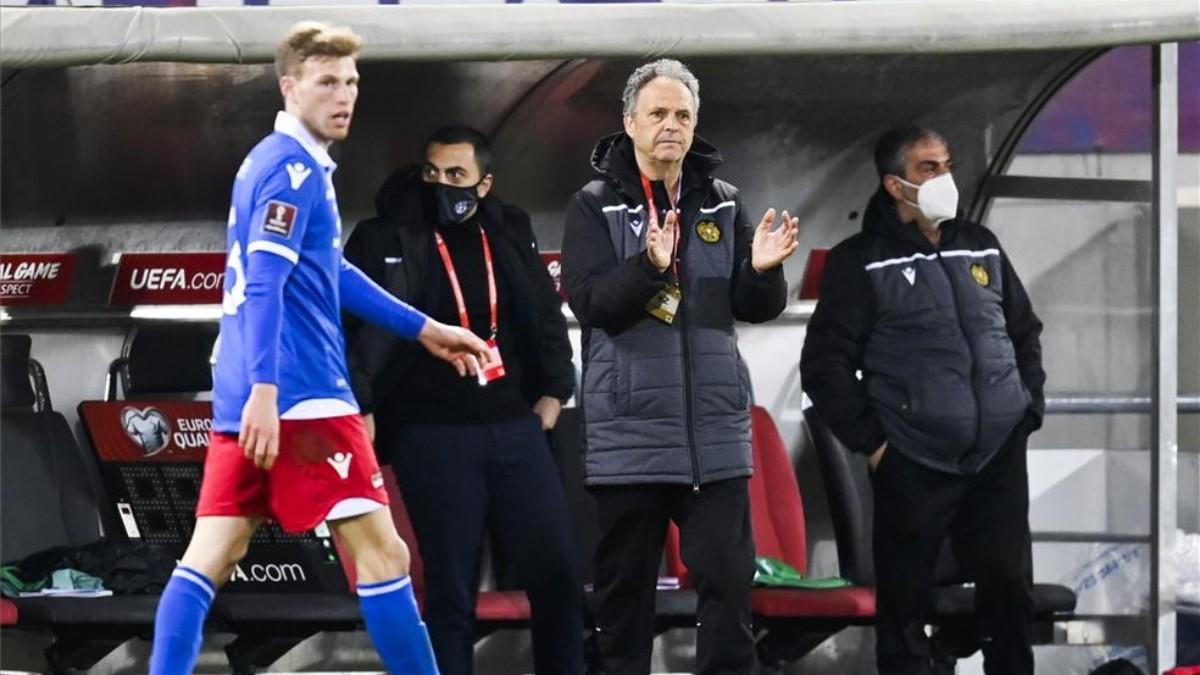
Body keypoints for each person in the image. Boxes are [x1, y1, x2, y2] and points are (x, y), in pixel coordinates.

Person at [148, 22, 491, 675]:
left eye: (352, 82)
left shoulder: (276, 161)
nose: (345, 95)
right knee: (385, 557)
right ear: (290, 87)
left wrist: (425, 329)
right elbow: (268, 286)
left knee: (211, 554)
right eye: (328, 82)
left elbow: (325, 270)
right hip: (301, 398)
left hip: (247, 394)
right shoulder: (292, 170)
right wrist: (270, 393)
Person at [560, 58, 798, 675]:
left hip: (713, 439)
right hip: (631, 435)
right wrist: (648, 265)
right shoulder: (594, 206)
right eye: (659, 113)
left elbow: (751, 306)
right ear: (629, 122)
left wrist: (765, 272)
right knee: (625, 603)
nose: (672, 125)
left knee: (727, 591)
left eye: (684, 115)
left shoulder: (724, 203)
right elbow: (589, 303)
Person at [800, 126, 1045, 675]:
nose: (944, 178)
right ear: (894, 184)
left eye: (947, 164)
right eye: (928, 168)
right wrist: (876, 443)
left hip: (996, 457)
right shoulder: (858, 261)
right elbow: (824, 366)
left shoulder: (980, 243)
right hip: (913, 461)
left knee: (1009, 594)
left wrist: (1026, 408)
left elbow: (1024, 331)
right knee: (904, 607)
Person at [343, 126, 583, 674]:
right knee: (451, 591)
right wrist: (364, 404)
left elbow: (545, 311)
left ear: (484, 182)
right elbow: (349, 331)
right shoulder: (385, 238)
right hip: (430, 433)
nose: (442, 185)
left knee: (559, 574)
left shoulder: (508, 228)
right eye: (432, 173)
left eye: (457, 176)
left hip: (513, 424)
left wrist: (553, 392)